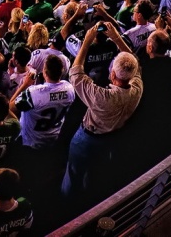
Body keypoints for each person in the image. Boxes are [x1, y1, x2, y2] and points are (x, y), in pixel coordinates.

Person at [60, 23, 143, 205]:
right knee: (96, 171)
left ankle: (68, 206)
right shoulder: (137, 88)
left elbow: (76, 73)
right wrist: (116, 37)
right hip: (112, 138)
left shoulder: (102, 97)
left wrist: (86, 42)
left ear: (112, 75)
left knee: (74, 172)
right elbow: (134, 61)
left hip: (87, 138)